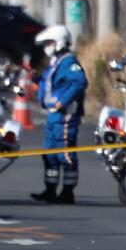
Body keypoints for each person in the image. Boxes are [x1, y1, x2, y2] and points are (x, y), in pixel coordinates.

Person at [30, 24, 85, 205]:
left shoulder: (69, 62)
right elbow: (50, 83)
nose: (47, 46)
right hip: (53, 115)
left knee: (65, 153)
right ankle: (50, 189)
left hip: (65, 115)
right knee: (49, 153)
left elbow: (79, 82)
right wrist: (34, 78)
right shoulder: (56, 63)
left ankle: (68, 191)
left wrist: (63, 102)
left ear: (60, 42)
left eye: (50, 42)